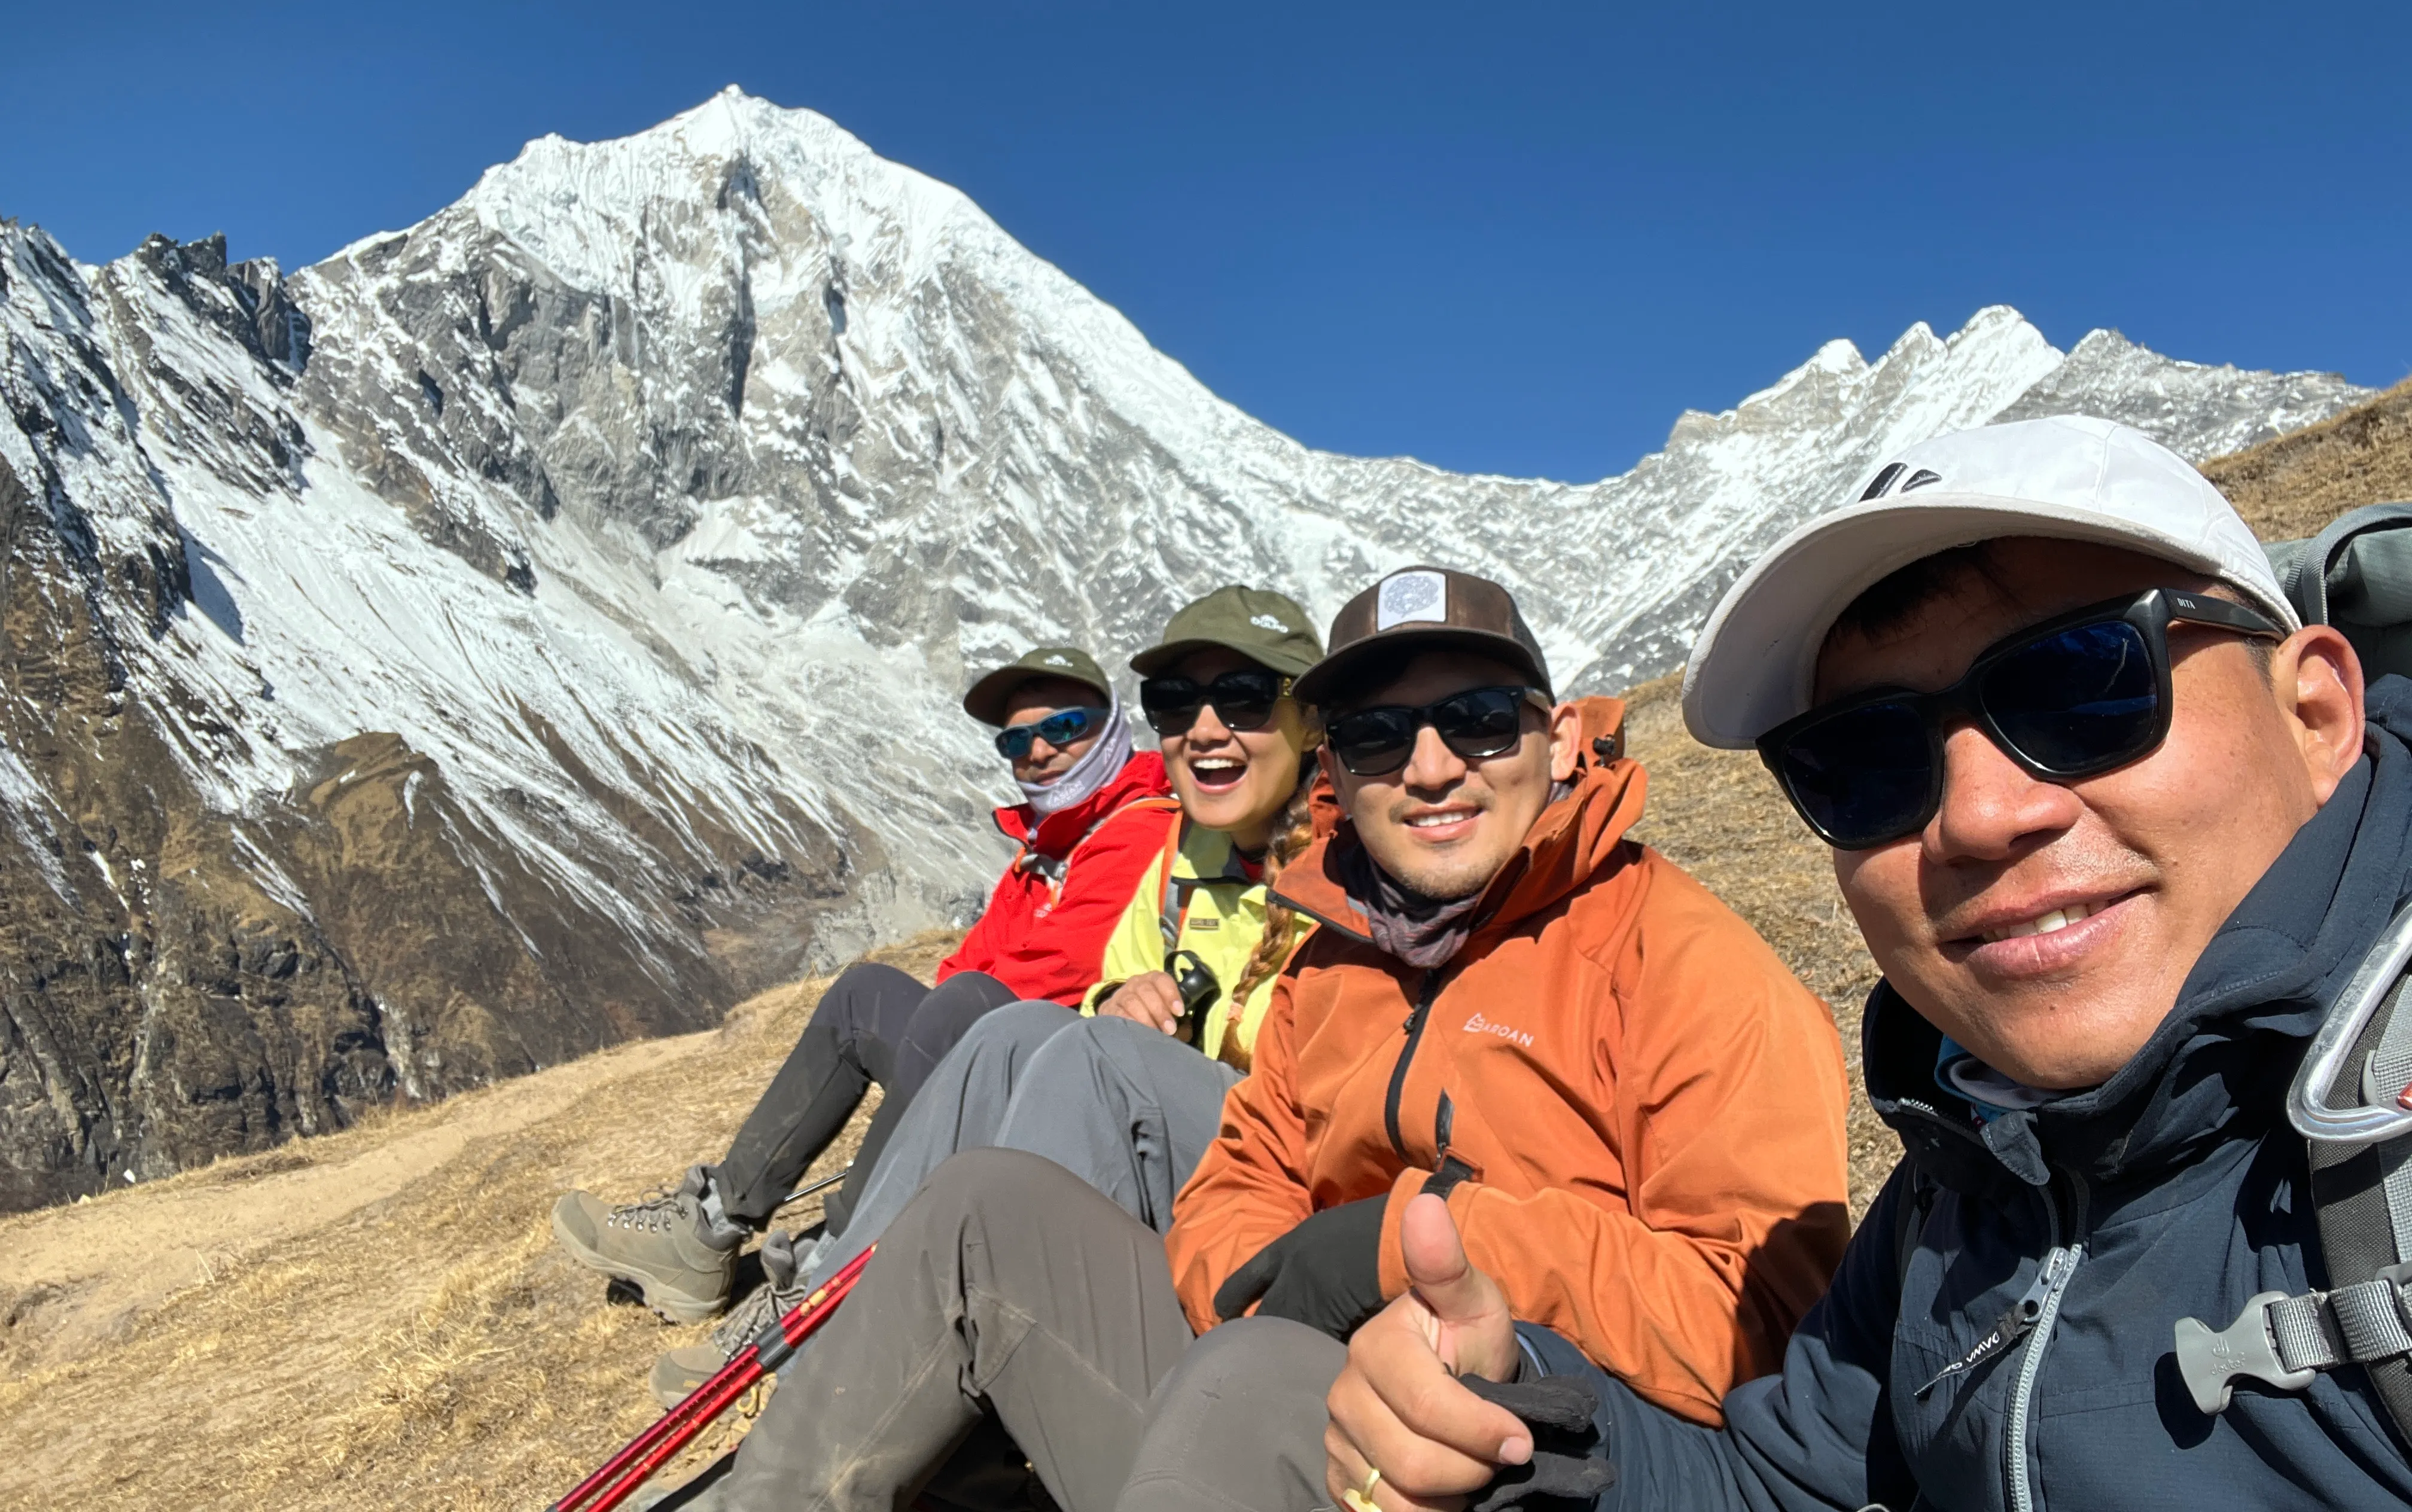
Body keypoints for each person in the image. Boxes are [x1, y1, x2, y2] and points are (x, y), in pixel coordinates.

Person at [1325, 414, 2412, 1511]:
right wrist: (1519, 1413)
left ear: (2315, 712)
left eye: (2083, 686)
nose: (1978, 815)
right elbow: (1788, 1485)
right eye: (1863, 757)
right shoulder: (1966, 1166)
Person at [712, 567, 1853, 1512]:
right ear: (1336, 772)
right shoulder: (1336, 954)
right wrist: (1268, 1293)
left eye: (1475, 718)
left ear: (1556, 739)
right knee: (982, 1207)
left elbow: (1760, 1323)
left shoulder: (1678, 957)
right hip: (1276, 1393)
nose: (1428, 764)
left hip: (1499, 1445)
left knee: (1254, 1373)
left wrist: (1424, 1242)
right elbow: (1230, 1184)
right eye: (1372, 734)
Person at [643, 585, 1327, 1407]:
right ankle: (828, 1300)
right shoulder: (1169, 846)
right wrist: (1117, 998)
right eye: (1177, 701)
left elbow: (1026, 979)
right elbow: (1065, 973)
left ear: (1312, 718)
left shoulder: (1202, 835)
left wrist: (1106, 1024)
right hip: (1150, 1109)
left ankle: (885, 1329)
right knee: (982, 1024)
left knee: (993, 1020)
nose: (1206, 727)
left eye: (1246, 696)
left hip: (1257, 1158)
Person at [551, 645, 1175, 1322]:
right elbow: (965, 964)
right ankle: (711, 1225)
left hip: (1053, 1077)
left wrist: (963, 1007)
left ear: (1111, 726)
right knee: (867, 995)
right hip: (999, 1045)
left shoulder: (1139, 831)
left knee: (963, 1008)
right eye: (1017, 740)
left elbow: (1059, 975)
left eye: (1061, 728)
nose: (1038, 752)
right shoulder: (1048, 848)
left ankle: (841, 1260)